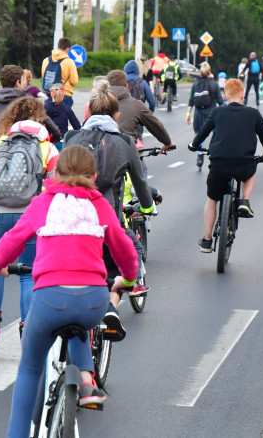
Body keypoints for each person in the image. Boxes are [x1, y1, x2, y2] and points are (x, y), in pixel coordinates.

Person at [0, 145, 139, 435]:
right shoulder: (100, 205)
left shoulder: (45, 202)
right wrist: (128, 281)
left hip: (51, 298)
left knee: (29, 370)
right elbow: (125, 250)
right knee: (79, 322)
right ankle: (86, 379)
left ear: (55, 172)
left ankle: (16, 433)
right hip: (93, 299)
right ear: (94, 176)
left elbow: (13, 238)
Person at [63, 83, 155, 339]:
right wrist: (147, 207)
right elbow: (140, 182)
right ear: (116, 115)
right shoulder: (124, 142)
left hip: (70, 221)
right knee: (117, 272)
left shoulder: (70, 138)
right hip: (108, 222)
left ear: (88, 112)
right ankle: (110, 308)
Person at [0, 97, 59, 348]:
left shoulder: (0, 142)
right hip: (31, 215)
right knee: (28, 273)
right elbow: (56, 184)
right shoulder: (47, 147)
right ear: (40, 118)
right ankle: (26, 327)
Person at [189, 78, 263, 251]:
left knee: (212, 199)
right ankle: (244, 200)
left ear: (225, 95)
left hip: (218, 164)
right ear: (242, 95)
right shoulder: (253, 113)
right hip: (243, 164)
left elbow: (202, 134)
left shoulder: (217, 112)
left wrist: (194, 145)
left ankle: (207, 240)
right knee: (251, 173)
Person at [0, 65, 60, 160]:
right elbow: (45, 119)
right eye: (24, 81)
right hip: (18, 149)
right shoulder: (28, 101)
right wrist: (56, 134)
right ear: (18, 83)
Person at [106, 70, 175, 151]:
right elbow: (155, 125)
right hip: (126, 149)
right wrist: (167, 143)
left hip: (102, 150)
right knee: (138, 162)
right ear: (127, 86)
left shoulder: (97, 102)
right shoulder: (136, 104)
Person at [187, 62, 225, 170]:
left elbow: (191, 101)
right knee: (217, 135)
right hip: (212, 115)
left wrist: (188, 114)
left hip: (198, 115)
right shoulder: (214, 84)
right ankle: (216, 155)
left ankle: (200, 157)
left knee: (200, 136)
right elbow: (220, 101)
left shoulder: (195, 85)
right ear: (210, 72)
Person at [40, 37, 79, 107]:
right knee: (63, 117)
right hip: (64, 94)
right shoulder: (70, 62)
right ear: (68, 48)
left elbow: (44, 76)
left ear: (58, 46)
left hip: (49, 93)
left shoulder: (46, 60)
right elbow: (74, 81)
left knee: (49, 117)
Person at [44, 83, 80, 150]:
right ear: (63, 93)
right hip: (62, 140)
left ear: (52, 94)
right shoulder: (66, 108)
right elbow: (77, 126)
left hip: (48, 140)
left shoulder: (46, 108)